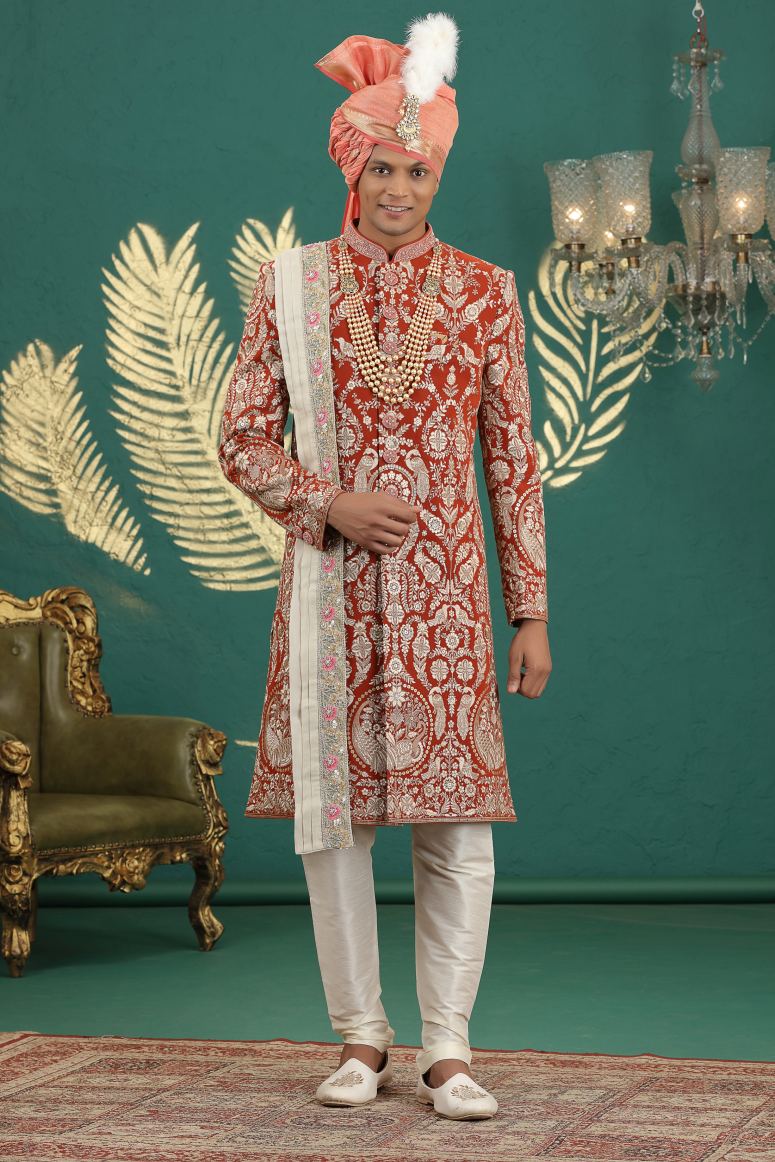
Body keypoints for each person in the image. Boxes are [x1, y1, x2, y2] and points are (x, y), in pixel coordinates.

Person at [217, 11, 551, 1121]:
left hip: (449, 605)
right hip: (331, 596)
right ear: (349, 168)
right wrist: (329, 503)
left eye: (417, 169)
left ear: (436, 176)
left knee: (455, 830)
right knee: (339, 826)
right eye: (381, 167)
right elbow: (240, 439)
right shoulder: (289, 285)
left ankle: (448, 1048)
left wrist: (530, 611)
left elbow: (511, 459)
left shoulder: (486, 292)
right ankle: (360, 1037)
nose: (398, 186)